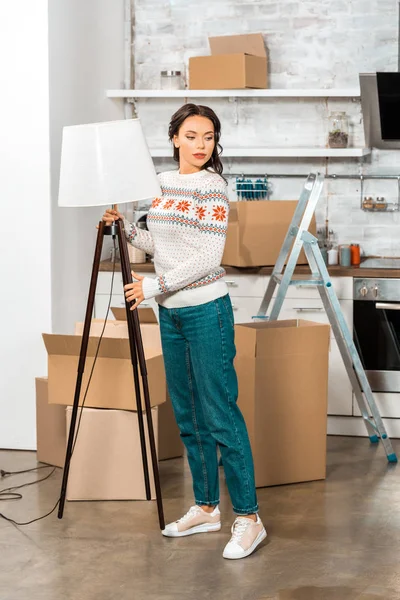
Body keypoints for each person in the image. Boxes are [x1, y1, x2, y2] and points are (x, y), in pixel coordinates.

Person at [102, 103, 266, 560]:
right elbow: (165, 243)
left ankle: (249, 518)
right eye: (191, 136)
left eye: (208, 137)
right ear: (174, 137)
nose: (200, 145)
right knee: (188, 415)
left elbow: (208, 257)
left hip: (207, 310)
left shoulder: (213, 187)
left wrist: (155, 285)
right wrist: (128, 232)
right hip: (171, 314)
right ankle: (207, 507)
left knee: (220, 414)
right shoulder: (158, 184)